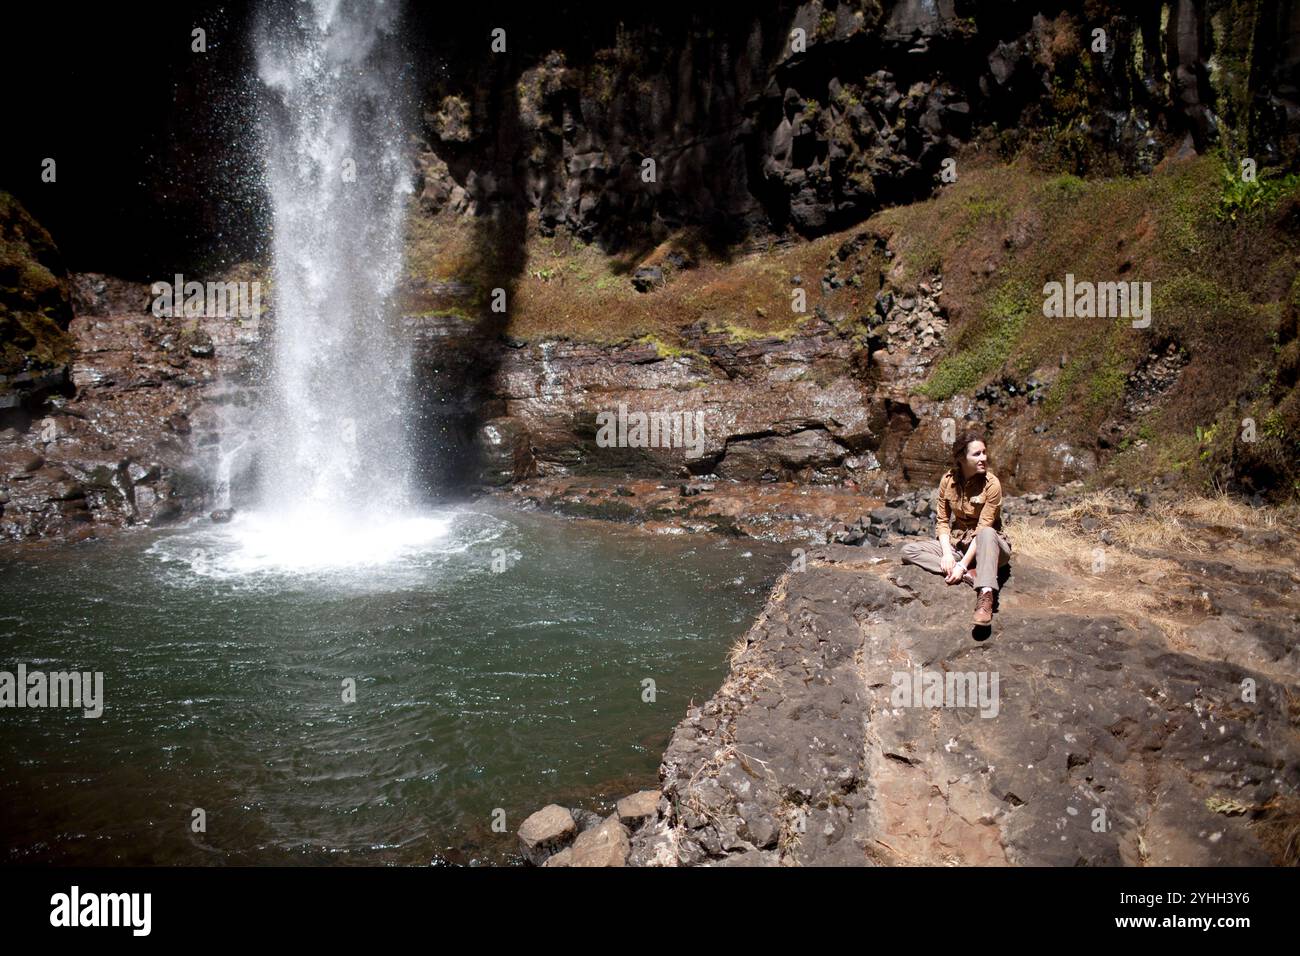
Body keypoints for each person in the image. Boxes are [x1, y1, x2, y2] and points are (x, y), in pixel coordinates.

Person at [900, 430, 1011, 625]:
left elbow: (983, 528)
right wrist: (948, 556)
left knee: (986, 532)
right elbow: (942, 522)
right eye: (977, 454)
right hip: (959, 544)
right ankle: (968, 574)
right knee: (909, 551)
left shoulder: (991, 484)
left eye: (984, 452)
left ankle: (985, 596)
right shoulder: (947, 481)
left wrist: (961, 564)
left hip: (989, 546)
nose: (983, 458)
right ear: (961, 457)